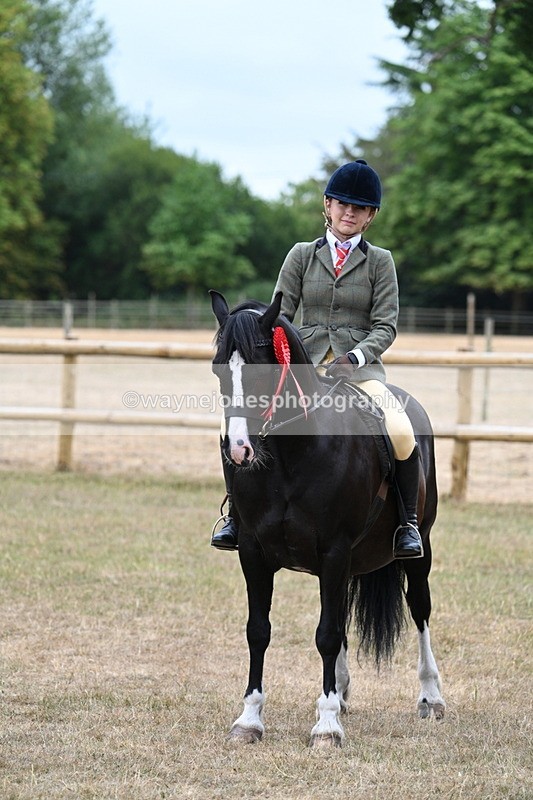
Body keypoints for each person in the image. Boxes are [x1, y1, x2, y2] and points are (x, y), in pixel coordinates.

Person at [211, 159, 423, 559]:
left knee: (400, 428)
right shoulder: (301, 255)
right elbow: (279, 315)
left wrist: (356, 356)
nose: (349, 212)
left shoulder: (381, 262)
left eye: (358, 208)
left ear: (370, 216)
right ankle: (236, 516)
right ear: (327, 205)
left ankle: (407, 525)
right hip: (300, 368)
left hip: (359, 372)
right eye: (342, 204)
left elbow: (386, 325)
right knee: (232, 422)